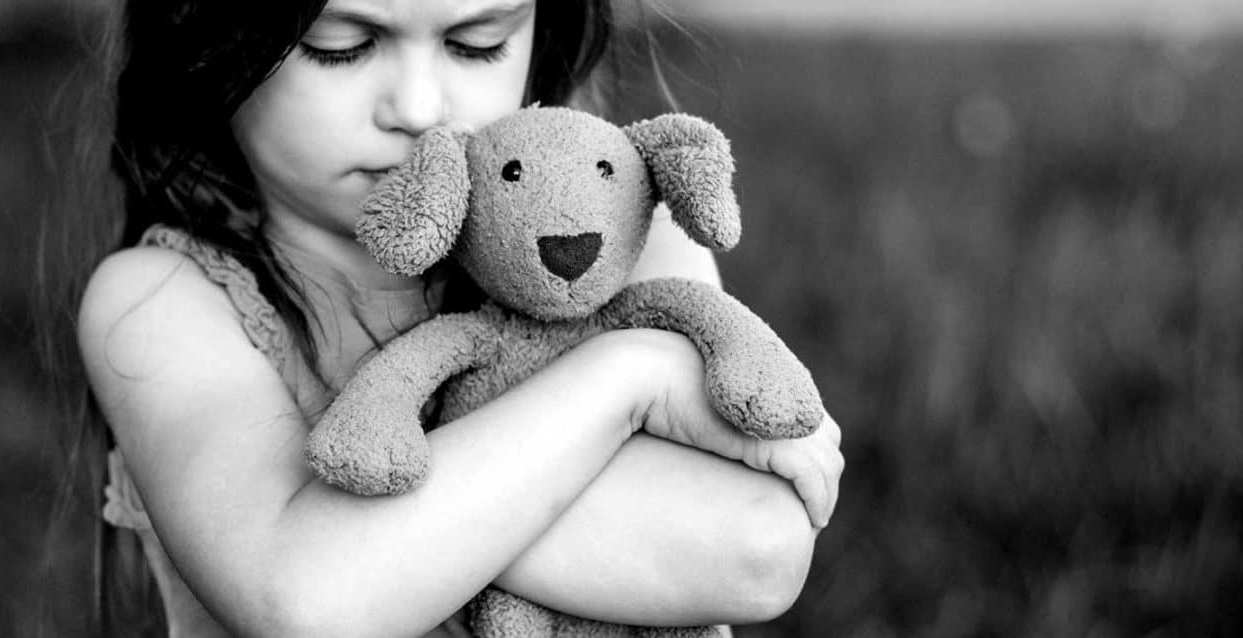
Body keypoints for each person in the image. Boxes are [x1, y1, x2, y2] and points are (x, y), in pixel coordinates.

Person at [74, 0, 846, 635]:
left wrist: (370, 544)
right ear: (201, 27)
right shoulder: (161, 303)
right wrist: (631, 378)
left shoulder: (630, 240)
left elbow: (757, 547)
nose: (419, 108)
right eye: (340, 46)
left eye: (477, 43)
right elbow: (306, 601)